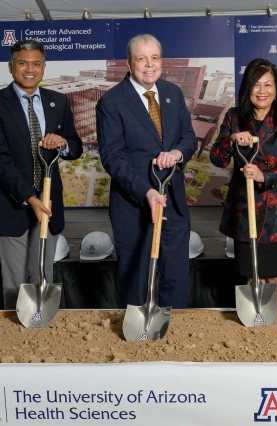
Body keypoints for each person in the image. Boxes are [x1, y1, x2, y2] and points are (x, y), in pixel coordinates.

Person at [96, 34, 197, 309]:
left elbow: (189, 137)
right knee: (137, 277)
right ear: (130, 63)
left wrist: (177, 153)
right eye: (142, 58)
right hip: (134, 205)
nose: (149, 65)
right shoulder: (112, 102)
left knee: (176, 275)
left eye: (155, 58)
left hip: (173, 202)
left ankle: (172, 334)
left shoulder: (173, 93)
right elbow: (113, 158)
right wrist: (147, 191)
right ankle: (140, 339)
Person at [210, 58, 277, 308]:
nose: (262, 91)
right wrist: (231, 140)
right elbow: (217, 160)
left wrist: (265, 176)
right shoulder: (234, 117)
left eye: (268, 85)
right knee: (253, 274)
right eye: (256, 85)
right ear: (247, 88)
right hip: (245, 210)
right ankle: (256, 327)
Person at [0, 40, 82, 309]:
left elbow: (75, 145)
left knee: (41, 275)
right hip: (13, 205)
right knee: (13, 284)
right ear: (12, 68)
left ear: (44, 68)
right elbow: (1, 160)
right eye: (22, 63)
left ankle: (39, 331)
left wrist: (63, 143)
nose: (29, 69)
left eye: (36, 63)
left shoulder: (57, 101)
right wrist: (29, 198)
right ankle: (14, 338)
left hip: (49, 203)